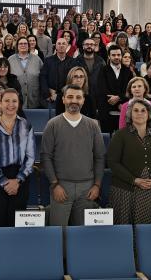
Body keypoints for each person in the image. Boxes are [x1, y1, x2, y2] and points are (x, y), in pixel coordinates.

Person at [41, 85, 106, 226]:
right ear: (63, 99)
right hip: (61, 188)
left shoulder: (93, 125)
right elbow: (46, 157)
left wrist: (97, 185)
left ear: (83, 100)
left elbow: (100, 157)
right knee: (58, 232)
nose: (74, 101)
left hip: (87, 189)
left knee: (82, 235)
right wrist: (55, 184)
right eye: (70, 97)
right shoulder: (52, 124)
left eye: (78, 97)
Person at [108, 98, 151, 224]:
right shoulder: (120, 135)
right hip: (125, 191)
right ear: (130, 114)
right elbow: (113, 163)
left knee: (148, 232)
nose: (139, 113)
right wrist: (134, 180)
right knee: (125, 231)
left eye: (143, 111)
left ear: (149, 115)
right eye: (135, 110)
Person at [0, 89, 36, 228]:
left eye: (14, 101)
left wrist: (18, 180)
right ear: (0, 104)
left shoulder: (26, 125)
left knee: (17, 223)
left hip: (20, 179)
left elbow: (30, 156)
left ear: (19, 104)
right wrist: (4, 181)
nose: (10, 104)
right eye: (7, 101)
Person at [98, 45, 133, 134]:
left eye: (118, 54)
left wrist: (119, 98)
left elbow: (130, 90)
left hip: (124, 109)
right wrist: (117, 102)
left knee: (123, 140)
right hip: (106, 110)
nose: (116, 57)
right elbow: (102, 89)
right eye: (113, 55)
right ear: (109, 56)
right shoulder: (103, 70)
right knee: (107, 140)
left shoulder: (128, 71)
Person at [8, 37, 43, 108]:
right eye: (20, 44)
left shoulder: (37, 59)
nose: (23, 45)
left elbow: (43, 76)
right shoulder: (10, 60)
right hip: (16, 99)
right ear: (17, 46)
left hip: (34, 98)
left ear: (29, 46)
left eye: (25, 43)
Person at [73, 37, 106, 105]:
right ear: (83, 46)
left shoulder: (101, 61)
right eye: (87, 44)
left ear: (95, 46)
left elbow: (105, 79)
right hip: (81, 94)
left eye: (91, 44)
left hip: (97, 96)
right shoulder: (76, 61)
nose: (89, 46)